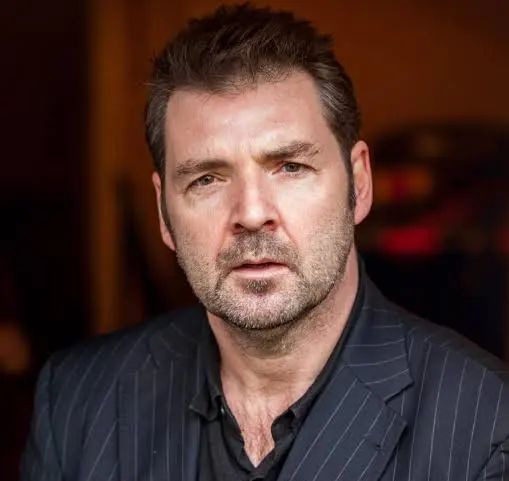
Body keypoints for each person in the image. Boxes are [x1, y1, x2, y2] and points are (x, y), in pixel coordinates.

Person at [22, 4, 508, 480]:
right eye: (207, 179)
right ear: (163, 213)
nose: (252, 213)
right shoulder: (76, 403)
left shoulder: (486, 427)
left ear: (359, 185)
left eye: (290, 167)